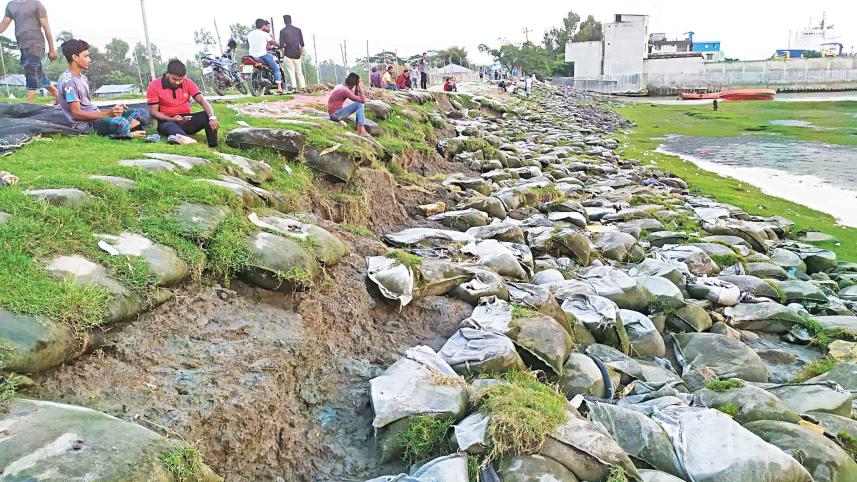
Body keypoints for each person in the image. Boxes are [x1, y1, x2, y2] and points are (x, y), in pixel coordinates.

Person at [56, 39, 149, 139]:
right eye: (86, 56)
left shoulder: (82, 78)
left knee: (142, 112)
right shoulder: (68, 81)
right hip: (85, 124)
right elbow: (76, 114)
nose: (89, 59)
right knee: (121, 122)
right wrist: (107, 114)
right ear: (74, 57)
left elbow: (88, 107)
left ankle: (123, 128)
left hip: (96, 116)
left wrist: (114, 110)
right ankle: (125, 133)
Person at [147, 59, 220, 146]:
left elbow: (202, 100)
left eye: (180, 79)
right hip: (167, 121)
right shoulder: (154, 85)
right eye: (174, 79)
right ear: (167, 74)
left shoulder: (187, 83)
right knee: (170, 127)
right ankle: (186, 139)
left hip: (186, 120)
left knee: (207, 116)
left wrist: (212, 117)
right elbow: (153, 111)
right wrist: (172, 119)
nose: (177, 82)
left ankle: (213, 146)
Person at [0, 0, 58, 102]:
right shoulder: (11, 5)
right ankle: (57, 94)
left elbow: (46, 28)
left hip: (36, 44)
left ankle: (29, 104)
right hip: (22, 46)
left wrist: (52, 49)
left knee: (31, 72)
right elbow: (2, 27)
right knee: (37, 73)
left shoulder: (36, 4)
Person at [327, 72, 370, 137]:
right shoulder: (345, 90)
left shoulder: (340, 86)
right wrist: (360, 88)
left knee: (359, 103)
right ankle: (361, 129)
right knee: (359, 104)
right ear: (354, 84)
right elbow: (362, 100)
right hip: (335, 115)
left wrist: (357, 88)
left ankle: (358, 128)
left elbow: (356, 97)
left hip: (333, 113)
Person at [248, 18, 283, 94]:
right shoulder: (264, 34)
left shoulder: (250, 34)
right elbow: (272, 42)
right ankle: (279, 87)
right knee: (276, 69)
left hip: (251, 55)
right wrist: (280, 46)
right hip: (263, 55)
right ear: (263, 25)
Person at [279, 14, 306, 92]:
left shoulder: (282, 31)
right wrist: (300, 53)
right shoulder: (298, 30)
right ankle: (303, 87)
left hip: (288, 54)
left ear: (284, 22)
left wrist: (283, 55)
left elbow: (282, 46)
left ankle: (294, 88)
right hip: (297, 54)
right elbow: (302, 44)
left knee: (291, 72)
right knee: (299, 72)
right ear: (291, 20)